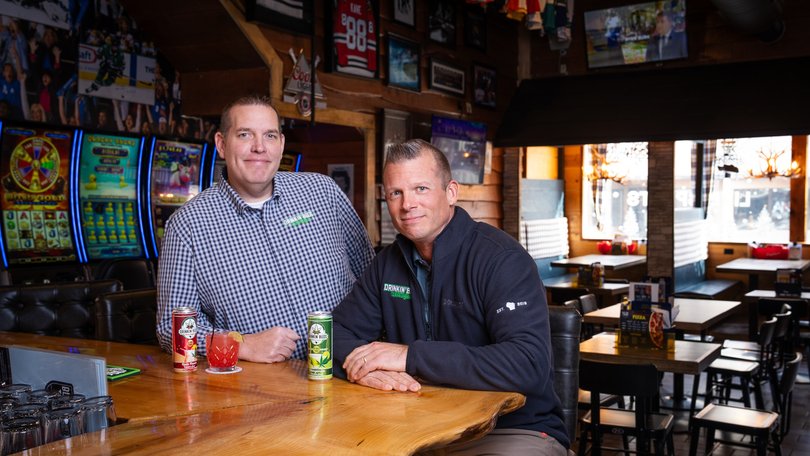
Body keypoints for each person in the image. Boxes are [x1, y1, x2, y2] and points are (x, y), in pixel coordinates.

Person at [332, 139, 570, 455]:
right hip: (415, 428)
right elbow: (332, 334)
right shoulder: (387, 264)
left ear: (451, 192)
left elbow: (529, 364)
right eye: (395, 193)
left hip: (510, 431)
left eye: (420, 189)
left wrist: (408, 357)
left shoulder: (501, 259)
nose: (407, 205)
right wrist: (368, 370)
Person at [156, 95, 374, 363]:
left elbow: (370, 278)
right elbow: (171, 329)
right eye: (245, 134)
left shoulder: (323, 192)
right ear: (222, 144)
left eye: (270, 136)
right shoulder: (187, 226)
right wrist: (242, 345)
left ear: (281, 145)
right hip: (266, 392)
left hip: (353, 372)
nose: (259, 147)